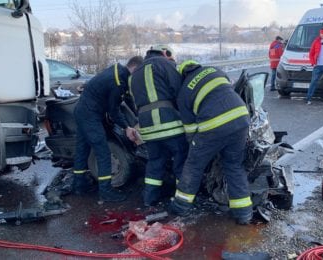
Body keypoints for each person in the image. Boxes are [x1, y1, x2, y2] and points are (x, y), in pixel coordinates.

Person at [169, 60, 253, 225]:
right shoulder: (214, 70)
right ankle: (244, 213)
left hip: (214, 126)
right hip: (241, 118)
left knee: (193, 165)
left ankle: (181, 206)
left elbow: (190, 129)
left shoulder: (184, 91)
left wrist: (194, 148)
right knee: (234, 166)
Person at [72, 56, 144, 202]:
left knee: (82, 149)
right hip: (90, 115)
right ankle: (106, 191)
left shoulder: (119, 72)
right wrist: (127, 127)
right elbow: (114, 110)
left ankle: (78, 185)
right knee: (103, 152)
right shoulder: (117, 81)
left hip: (83, 111)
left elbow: (126, 99)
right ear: (135, 69)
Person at [129, 45, 188, 207]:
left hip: (148, 129)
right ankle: (182, 200)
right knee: (180, 161)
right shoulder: (165, 64)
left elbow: (135, 103)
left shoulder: (134, 75)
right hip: (170, 125)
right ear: (165, 54)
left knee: (155, 163)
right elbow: (179, 92)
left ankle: (149, 200)